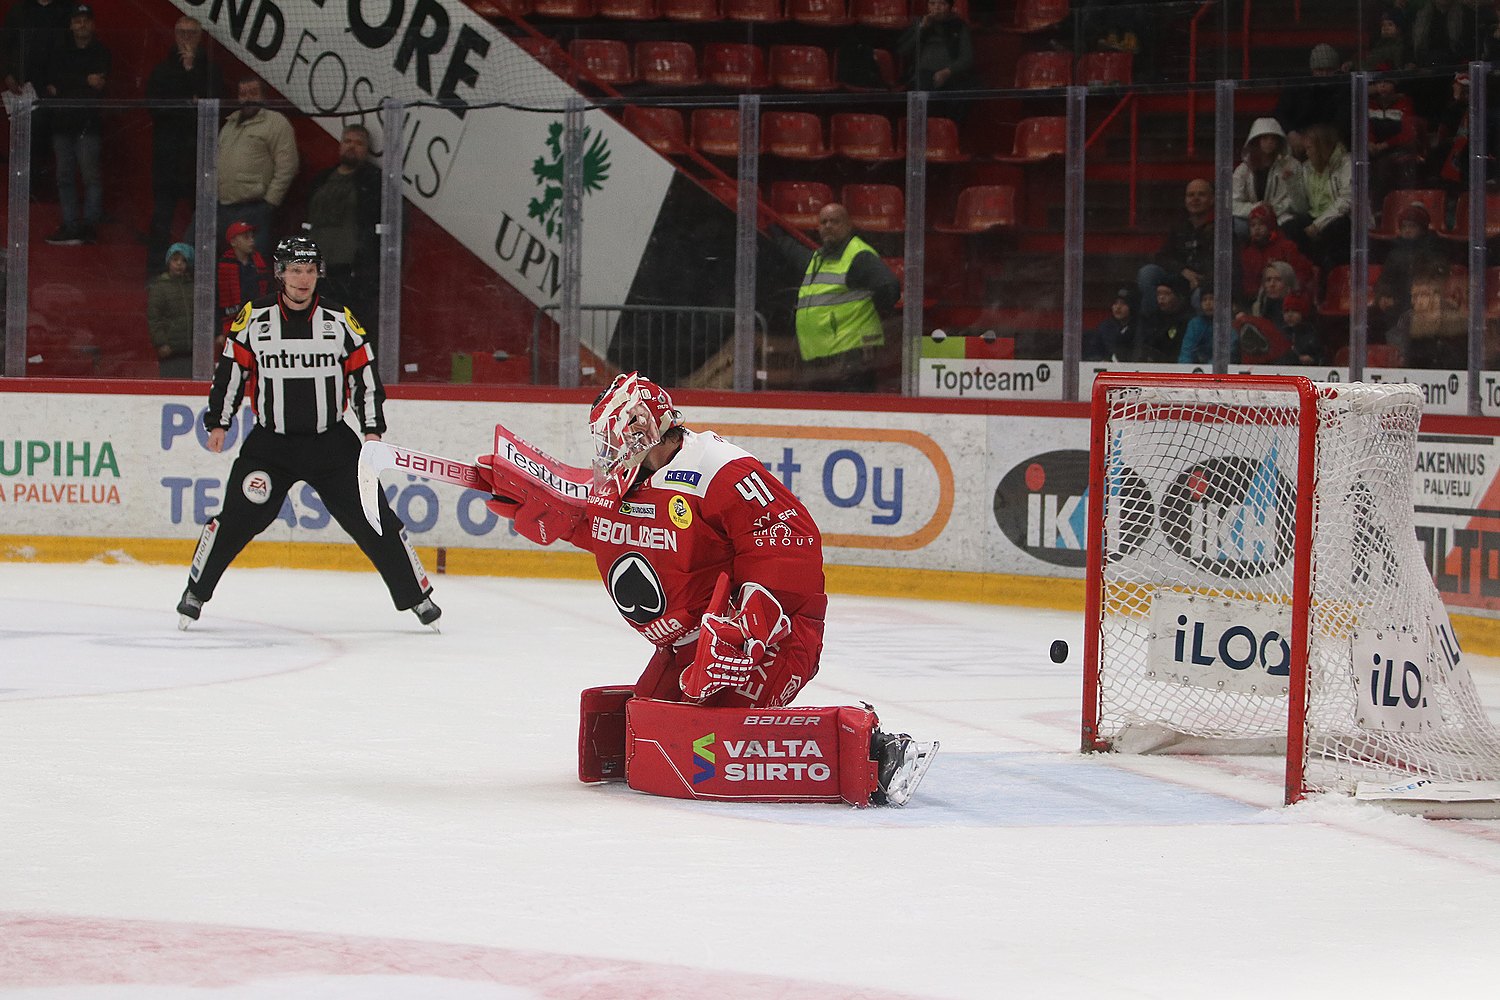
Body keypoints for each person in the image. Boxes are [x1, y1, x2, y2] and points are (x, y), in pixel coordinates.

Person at [470, 371, 936, 807]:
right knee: (656, 727)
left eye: (614, 438)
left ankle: (877, 752)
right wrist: (544, 503)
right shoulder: (626, 479)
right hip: (689, 649)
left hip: (766, 640)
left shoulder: (720, 468)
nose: (608, 451)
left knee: (717, 736)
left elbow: (786, 539)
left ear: (642, 432)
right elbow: (602, 524)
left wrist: (752, 623)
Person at [176, 236, 439, 630]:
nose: (304, 278)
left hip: (331, 444)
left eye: (311, 270)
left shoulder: (339, 321)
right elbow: (232, 371)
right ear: (280, 273)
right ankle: (195, 592)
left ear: (320, 275)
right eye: (296, 270)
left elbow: (365, 378)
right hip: (270, 446)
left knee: (374, 518)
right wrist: (219, 420)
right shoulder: (254, 318)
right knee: (236, 519)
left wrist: (371, 430)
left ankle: (418, 599)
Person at [779, 202, 901, 392]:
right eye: (823, 222)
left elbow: (889, 287)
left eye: (835, 221)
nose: (828, 226)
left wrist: (873, 311)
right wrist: (773, 232)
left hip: (851, 356)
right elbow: (794, 253)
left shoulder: (859, 256)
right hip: (824, 358)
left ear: (848, 225)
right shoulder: (819, 259)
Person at [145, 15, 218, 277]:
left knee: (201, 217)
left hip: (198, 158)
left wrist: (190, 73)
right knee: (162, 216)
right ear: (175, 35)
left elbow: (213, 110)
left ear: (200, 37)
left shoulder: (210, 70)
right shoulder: (162, 70)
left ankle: (197, 273)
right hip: (167, 158)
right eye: (182, 32)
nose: (187, 38)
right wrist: (189, 105)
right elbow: (154, 107)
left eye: (192, 33)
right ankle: (155, 272)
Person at [305, 124, 383, 345]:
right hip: (319, 268)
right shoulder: (322, 179)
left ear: (367, 150)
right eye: (348, 141)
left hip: (353, 270)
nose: (352, 147)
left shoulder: (373, 181)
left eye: (359, 143)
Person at [41, 3, 108, 246]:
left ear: (93, 24)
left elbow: (97, 84)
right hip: (62, 124)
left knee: (91, 176)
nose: (82, 24)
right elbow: (52, 84)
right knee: (64, 176)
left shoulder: (101, 52)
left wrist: (67, 85)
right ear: (71, 24)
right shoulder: (59, 51)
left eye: (86, 20)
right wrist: (82, 81)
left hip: (87, 125)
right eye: (77, 20)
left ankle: (89, 226)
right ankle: (70, 224)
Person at [217, 75, 298, 258]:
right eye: (243, 93)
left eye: (253, 93)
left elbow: (288, 165)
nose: (247, 98)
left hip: (254, 208)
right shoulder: (230, 124)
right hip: (224, 208)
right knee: (228, 266)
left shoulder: (276, 122)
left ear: (263, 96)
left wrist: (269, 202)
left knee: (253, 266)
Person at [1, 0, 72, 195]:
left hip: (54, 89)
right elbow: (5, 44)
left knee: (51, 139)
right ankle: (24, 188)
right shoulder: (20, 9)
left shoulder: (66, 8)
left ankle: (45, 188)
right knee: (23, 136)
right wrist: (7, 73)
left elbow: (71, 49)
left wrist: (59, 81)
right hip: (22, 86)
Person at [1136, 178, 1216, 319]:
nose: (1195, 199)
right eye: (1190, 195)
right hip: (1180, 280)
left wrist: (1201, 281)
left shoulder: (1221, 227)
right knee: (1147, 273)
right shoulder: (1180, 226)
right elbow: (1162, 257)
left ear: (1212, 199)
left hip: (1206, 285)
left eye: (1201, 194)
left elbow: (1226, 267)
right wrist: (1183, 271)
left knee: (1200, 296)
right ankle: (1151, 328)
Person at [1282, 123, 1353, 273]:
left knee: (1333, 230)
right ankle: (1303, 273)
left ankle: (1327, 277)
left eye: (1309, 148)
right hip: (1316, 217)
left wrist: (1318, 225)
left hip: (1343, 218)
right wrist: (1292, 184)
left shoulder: (1346, 164)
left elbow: (1346, 201)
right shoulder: (1307, 168)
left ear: (1322, 147)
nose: (1306, 153)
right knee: (1290, 227)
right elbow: (1302, 208)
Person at [1230, 118, 1306, 241]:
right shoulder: (1243, 170)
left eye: (1273, 138)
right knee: (1238, 226)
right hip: (1252, 221)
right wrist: (1258, 209)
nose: (1269, 142)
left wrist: (1291, 183)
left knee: (1293, 225)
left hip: (1281, 217)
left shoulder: (1292, 166)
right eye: (1265, 138)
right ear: (1256, 141)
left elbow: (1301, 207)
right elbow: (1233, 204)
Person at [897, 0, 976, 117]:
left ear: (950, 7)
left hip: (952, 75)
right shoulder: (919, 23)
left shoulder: (959, 25)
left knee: (964, 93)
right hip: (923, 74)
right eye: (932, 4)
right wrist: (922, 28)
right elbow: (903, 50)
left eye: (942, 4)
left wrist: (948, 71)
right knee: (919, 89)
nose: (936, 8)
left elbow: (967, 58)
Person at [1273, 43, 1352, 159]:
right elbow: (1280, 113)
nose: (1324, 75)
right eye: (1320, 70)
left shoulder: (1344, 89)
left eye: (1329, 70)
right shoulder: (1297, 86)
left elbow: (1342, 123)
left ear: (1336, 70)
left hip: (1330, 144)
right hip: (1299, 145)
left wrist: (1318, 140)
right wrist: (1291, 132)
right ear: (1312, 69)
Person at [1387, 265, 1467, 368]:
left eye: (1422, 295)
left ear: (1436, 296)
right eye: (1414, 296)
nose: (1416, 301)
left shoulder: (1456, 320)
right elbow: (1399, 351)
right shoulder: (1407, 320)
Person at [1239, 202, 1315, 304]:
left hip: (1287, 300)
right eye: (1253, 225)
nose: (1256, 228)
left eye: (1261, 224)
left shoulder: (1286, 247)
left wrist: (1292, 292)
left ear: (1271, 225)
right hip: (1258, 302)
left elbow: (1302, 272)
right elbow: (1248, 282)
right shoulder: (1247, 252)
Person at [217, 219, 270, 347]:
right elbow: (216, 303)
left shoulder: (260, 265)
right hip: (232, 321)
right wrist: (218, 331)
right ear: (233, 242)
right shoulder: (222, 267)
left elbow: (268, 293)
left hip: (258, 320)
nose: (252, 240)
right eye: (246, 237)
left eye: (252, 237)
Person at [147, 242, 194, 379]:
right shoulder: (159, 287)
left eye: (183, 261)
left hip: (191, 351)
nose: (179, 264)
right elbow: (154, 318)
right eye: (175, 260)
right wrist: (161, 343)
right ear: (168, 262)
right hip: (170, 352)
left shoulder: (193, 286)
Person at [1137, 273, 1193, 362]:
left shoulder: (1189, 321)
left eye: (1167, 294)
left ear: (1180, 296)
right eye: (1158, 294)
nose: (1161, 298)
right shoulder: (1152, 319)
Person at [1083, 286, 1136, 362]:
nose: (1118, 307)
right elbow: (1093, 353)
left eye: (1123, 303)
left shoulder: (1138, 328)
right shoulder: (1105, 328)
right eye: (1115, 303)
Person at [1177, 285, 1220, 365]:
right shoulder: (1195, 324)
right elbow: (1186, 351)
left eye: (1212, 299)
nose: (1208, 303)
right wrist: (1185, 369)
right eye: (1204, 300)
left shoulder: (1226, 324)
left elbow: (1227, 352)